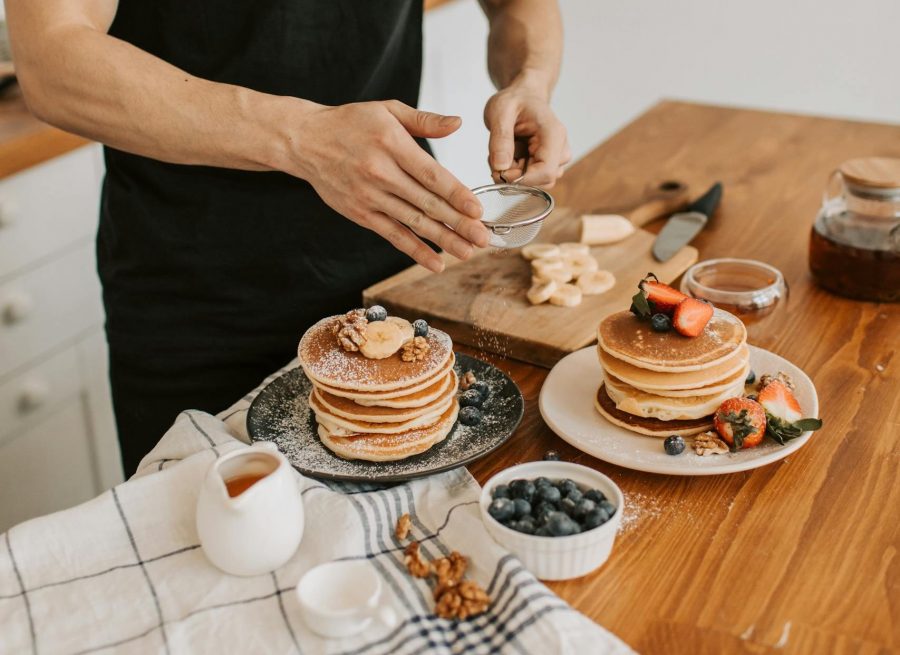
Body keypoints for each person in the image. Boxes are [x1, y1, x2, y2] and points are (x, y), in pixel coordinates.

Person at [7, 0, 568, 475]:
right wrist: (300, 137)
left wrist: (531, 79)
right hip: (193, 300)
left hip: (394, 276)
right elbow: (52, 59)